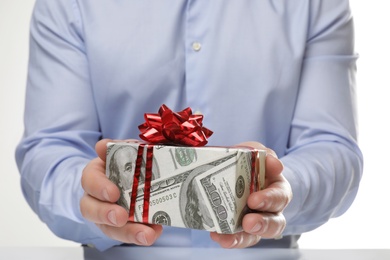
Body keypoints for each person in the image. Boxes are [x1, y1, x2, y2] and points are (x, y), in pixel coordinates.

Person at [15, 0, 363, 251]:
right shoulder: (67, 5)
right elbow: (49, 151)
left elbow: (334, 149)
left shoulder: (317, 5)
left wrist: (283, 188)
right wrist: (90, 196)